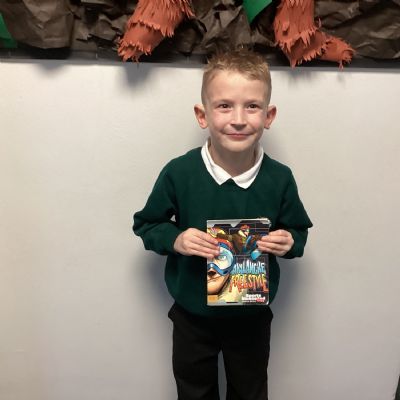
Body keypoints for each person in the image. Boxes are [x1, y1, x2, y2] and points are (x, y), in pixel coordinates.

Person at [133, 48, 312, 400]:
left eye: (252, 106)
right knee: (194, 391)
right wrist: (177, 239)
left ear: (269, 115)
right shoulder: (179, 172)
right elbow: (147, 225)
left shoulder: (279, 178)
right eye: (224, 106)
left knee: (250, 391)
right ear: (202, 115)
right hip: (192, 315)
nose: (239, 119)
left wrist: (289, 242)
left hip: (251, 317)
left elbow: (298, 232)